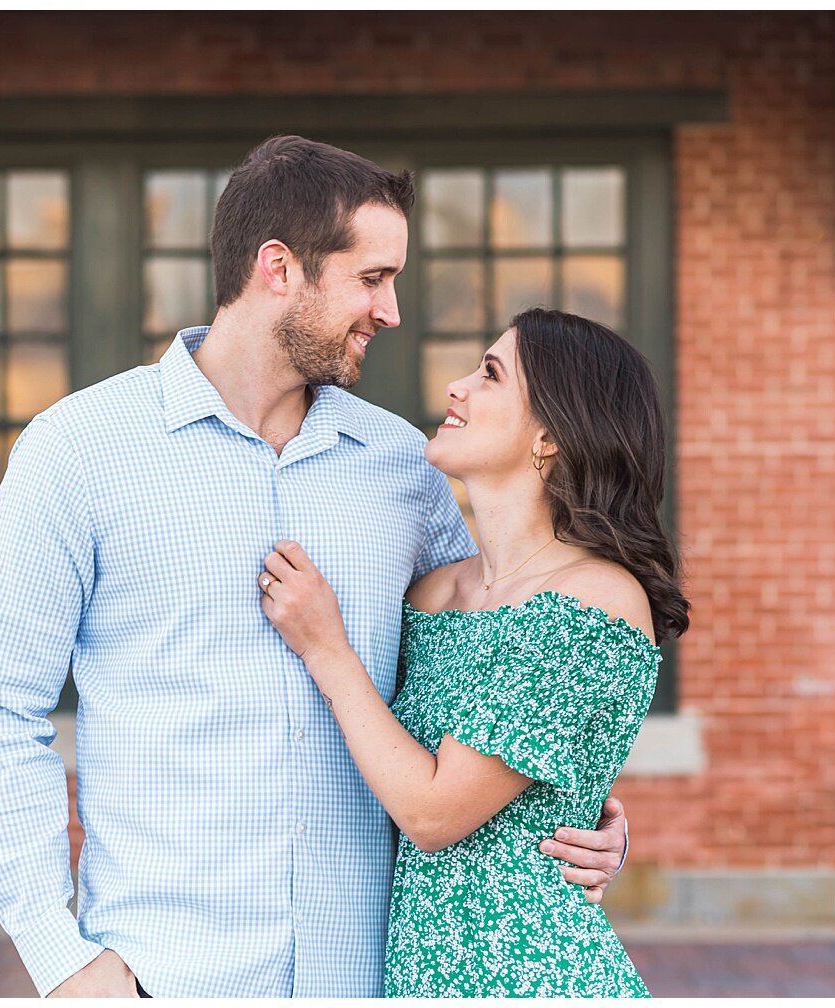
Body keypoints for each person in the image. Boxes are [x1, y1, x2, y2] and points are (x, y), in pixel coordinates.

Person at [0, 137, 631, 999]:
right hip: (166, 976)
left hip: (368, 977)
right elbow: (1, 717)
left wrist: (579, 809)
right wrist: (59, 958)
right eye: (371, 278)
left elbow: (493, 676)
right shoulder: (77, 452)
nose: (390, 311)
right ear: (280, 268)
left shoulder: (402, 467)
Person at [258, 307, 690, 997]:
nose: (456, 386)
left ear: (550, 434)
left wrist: (325, 645)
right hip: (414, 974)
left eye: (490, 374)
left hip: (530, 975)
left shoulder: (594, 603)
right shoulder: (433, 590)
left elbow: (434, 814)